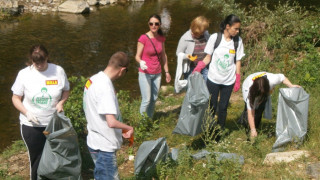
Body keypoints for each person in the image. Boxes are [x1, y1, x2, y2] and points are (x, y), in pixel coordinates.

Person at [11, 45, 70, 180]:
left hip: (53, 124)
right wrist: (26, 112)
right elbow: (15, 98)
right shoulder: (24, 74)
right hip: (32, 126)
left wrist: (61, 102)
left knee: (56, 155)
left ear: (47, 58)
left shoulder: (58, 71)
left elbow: (66, 90)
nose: (39, 66)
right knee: (37, 158)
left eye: (41, 62)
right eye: (35, 62)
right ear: (31, 60)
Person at [83, 51, 134, 180]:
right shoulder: (105, 87)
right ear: (122, 70)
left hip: (93, 141)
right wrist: (128, 128)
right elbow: (111, 122)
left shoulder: (92, 80)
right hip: (104, 146)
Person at [193, 14, 245, 130]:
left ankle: (220, 130)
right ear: (227, 26)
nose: (237, 31)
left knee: (223, 107)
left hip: (229, 80)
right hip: (213, 79)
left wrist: (237, 78)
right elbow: (207, 58)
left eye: (238, 29)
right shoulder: (215, 38)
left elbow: (238, 61)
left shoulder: (238, 41)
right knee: (212, 105)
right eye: (235, 28)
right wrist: (199, 67)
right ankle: (209, 128)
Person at [241, 72, 300, 138]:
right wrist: (252, 130)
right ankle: (249, 129)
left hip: (262, 87)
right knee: (250, 111)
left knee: (260, 109)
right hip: (248, 85)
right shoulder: (249, 93)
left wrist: (290, 85)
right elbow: (251, 113)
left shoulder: (273, 79)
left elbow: (283, 77)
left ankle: (256, 128)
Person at [135, 14, 171, 118]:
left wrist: (167, 72)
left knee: (154, 99)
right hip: (145, 73)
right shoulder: (143, 38)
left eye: (156, 24)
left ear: (159, 25)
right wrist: (141, 62)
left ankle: (149, 120)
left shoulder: (161, 38)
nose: (153, 26)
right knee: (146, 100)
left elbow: (164, 55)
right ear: (148, 24)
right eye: (151, 24)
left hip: (157, 73)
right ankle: (142, 123)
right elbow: (137, 56)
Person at [176, 16, 210, 81]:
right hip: (191, 67)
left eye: (205, 30)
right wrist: (187, 56)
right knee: (191, 87)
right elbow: (178, 53)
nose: (204, 32)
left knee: (206, 86)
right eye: (202, 31)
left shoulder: (206, 34)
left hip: (204, 65)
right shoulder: (185, 38)